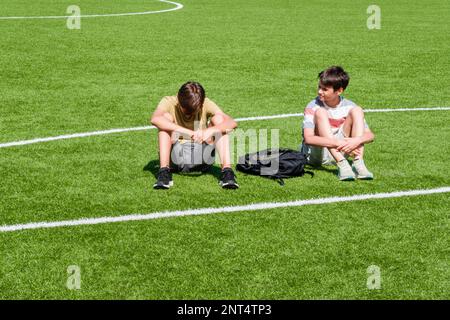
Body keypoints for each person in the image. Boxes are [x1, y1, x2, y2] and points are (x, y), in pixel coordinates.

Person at [150, 81, 239, 189]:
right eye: (186, 111)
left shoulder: (205, 103)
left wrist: (211, 131)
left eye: (194, 111)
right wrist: (189, 133)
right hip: (176, 157)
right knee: (165, 120)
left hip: (202, 156)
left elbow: (231, 122)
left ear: (201, 104)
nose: (189, 115)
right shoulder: (169, 101)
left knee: (219, 120)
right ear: (178, 100)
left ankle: (227, 172)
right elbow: (155, 119)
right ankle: (164, 172)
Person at [301, 66, 375, 181]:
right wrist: (337, 142)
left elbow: (370, 135)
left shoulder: (350, 105)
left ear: (339, 91)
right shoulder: (313, 106)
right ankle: (342, 164)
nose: (319, 91)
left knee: (357, 110)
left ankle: (358, 163)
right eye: (319, 87)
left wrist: (357, 140)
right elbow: (308, 139)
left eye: (325, 89)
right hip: (316, 155)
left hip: (341, 149)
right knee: (321, 112)